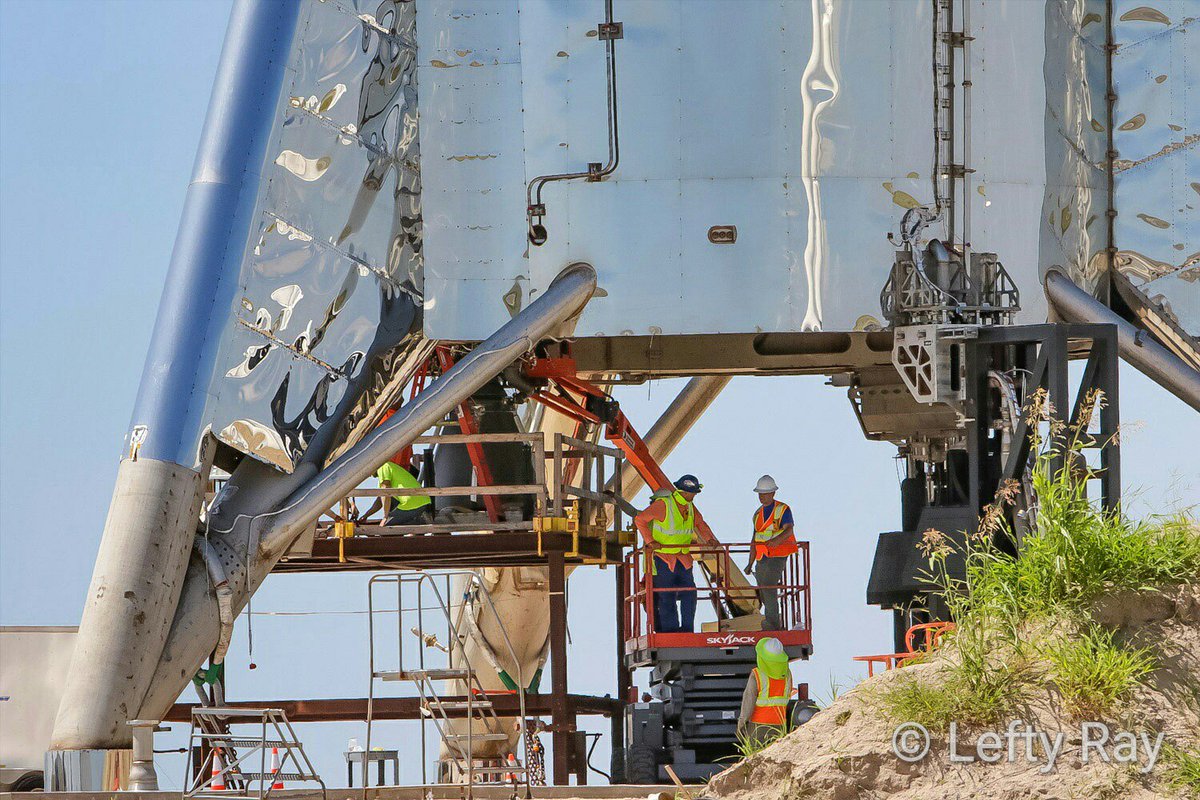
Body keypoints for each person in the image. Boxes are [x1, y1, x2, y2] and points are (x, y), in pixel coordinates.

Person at [634, 474, 711, 633]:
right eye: (692, 493)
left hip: (683, 559)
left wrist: (709, 539)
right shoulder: (664, 505)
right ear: (682, 492)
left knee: (689, 594)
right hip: (664, 558)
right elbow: (640, 520)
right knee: (666, 596)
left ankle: (687, 629)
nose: (694, 496)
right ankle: (670, 631)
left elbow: (700, 523)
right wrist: (650, 541)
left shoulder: (690, 506)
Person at [747, 474, 798, 630]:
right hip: (762, 556)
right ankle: (772, 619)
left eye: (765, 493)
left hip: (778, 554)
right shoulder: (757, 514)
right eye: (760, 494)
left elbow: (789, 530)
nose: (762, 497)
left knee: (768, 586)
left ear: (773, 493)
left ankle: (772, 624)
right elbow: (754, 539)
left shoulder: (783, 510)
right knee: (763, 588)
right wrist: (750, 563)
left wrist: (777, 541)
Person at [737, 637, 793, 744]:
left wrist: (741, 724)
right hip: (779, 726)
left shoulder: (757, 675)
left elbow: (748, 702)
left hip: (758, 727)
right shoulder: (787, 674)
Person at [362, 457, 432, 526]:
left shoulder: (383, 467)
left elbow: (386, 489)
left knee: (385, 529)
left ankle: (418, 521)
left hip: (412, 504)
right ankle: (416, 520)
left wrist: (385, 517)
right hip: (421, 502)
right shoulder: (386, 470)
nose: (369, 475)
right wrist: (366, 515)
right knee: (388, 524)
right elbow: (380, 501)